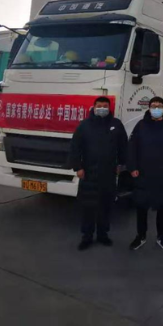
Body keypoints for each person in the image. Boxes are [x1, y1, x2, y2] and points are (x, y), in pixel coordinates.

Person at [69, 96, 128, 251]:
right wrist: (77, 167)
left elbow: (123, 146)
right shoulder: (84, 126)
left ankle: (103, 235)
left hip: (108, 173)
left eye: (105, 106)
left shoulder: (116, 125)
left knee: (105, 206)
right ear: (94, 107)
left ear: (109, 108)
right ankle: (86, 237)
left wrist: (122, 164)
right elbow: (75, 147)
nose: (102, 108)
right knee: (88, 206)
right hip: (89, 173)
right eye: (99, 106)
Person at [127, 96, 163, 251]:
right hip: (143, 174)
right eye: (153, 106)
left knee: (162, 206)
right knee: (141, 207)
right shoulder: (141, 125)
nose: (156, 108)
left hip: (162, 174)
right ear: (149, 108)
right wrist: (132, 167)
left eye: (159, 106)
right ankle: (141, 236)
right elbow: (132, 147)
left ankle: (161, 236)